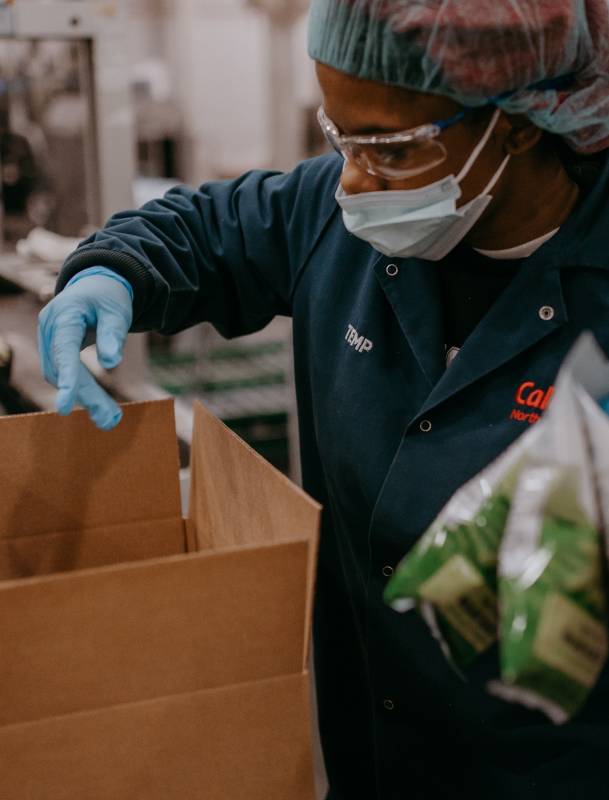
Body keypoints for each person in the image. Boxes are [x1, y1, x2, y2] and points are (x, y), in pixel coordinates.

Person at [38, 1, 609, 797]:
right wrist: (111, 273)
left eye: (392, 148)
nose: (352, 180)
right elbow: (204, 230)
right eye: (339, 137)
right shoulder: (341, 220)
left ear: (515, 124)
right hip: (369, 751)